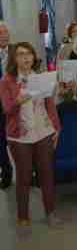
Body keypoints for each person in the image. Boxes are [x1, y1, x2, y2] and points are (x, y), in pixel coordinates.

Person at [0, 42, 63, 229]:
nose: (26, 57)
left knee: (47, 174)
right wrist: (18, 101)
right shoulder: (6, 82)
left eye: (29, 53)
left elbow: (50, 105)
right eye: (21, 54)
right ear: (14, 58)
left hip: (44, 131)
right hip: (20, 136)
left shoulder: (41, 77)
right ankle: (23, 216)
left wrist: (57, 129)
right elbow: (7, 110)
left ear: (34, 57)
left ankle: (50, 213)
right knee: (24, 176)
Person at [0, 22, 13, 189]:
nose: (3, 34)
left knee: (22, 137)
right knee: (1, 140)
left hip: (17, 101)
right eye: (0, 32)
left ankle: (31, 172)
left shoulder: (17, 51)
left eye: (5, 31)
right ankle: (6, 169)